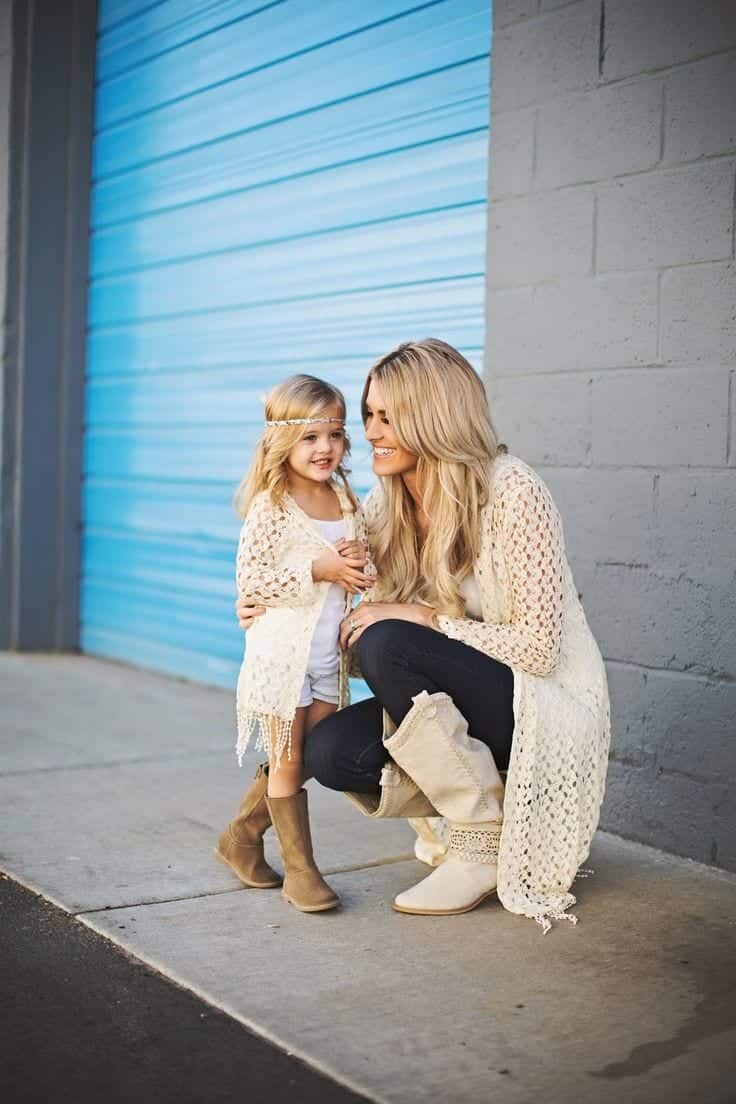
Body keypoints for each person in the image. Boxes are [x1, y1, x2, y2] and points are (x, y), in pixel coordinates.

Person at [237, 340, 610, 932]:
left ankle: (480, 841)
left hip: (539, 703)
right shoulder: (385, 509)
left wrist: (428, 620)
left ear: (433, 418)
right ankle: (250, 829)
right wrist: (279, 603)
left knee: (390, 636)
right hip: (462, 703)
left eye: (388, 417)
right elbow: (359, 641)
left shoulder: (512, 489)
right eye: (369, 414)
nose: (370, 432)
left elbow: (541, 650)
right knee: (329, 751)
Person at [216, 374, 375, 913]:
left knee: (309, 753)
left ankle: (240, 835)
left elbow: (359, 563)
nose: (325, 447)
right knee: (286, 760)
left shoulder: (344, 496)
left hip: (326, 656)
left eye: (334, 433)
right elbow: (254, 581)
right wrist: (320, 568)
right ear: (284, 441)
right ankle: (302, 874)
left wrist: (357, 568)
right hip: (282, 657)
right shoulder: (273, 504)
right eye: (310, 437)